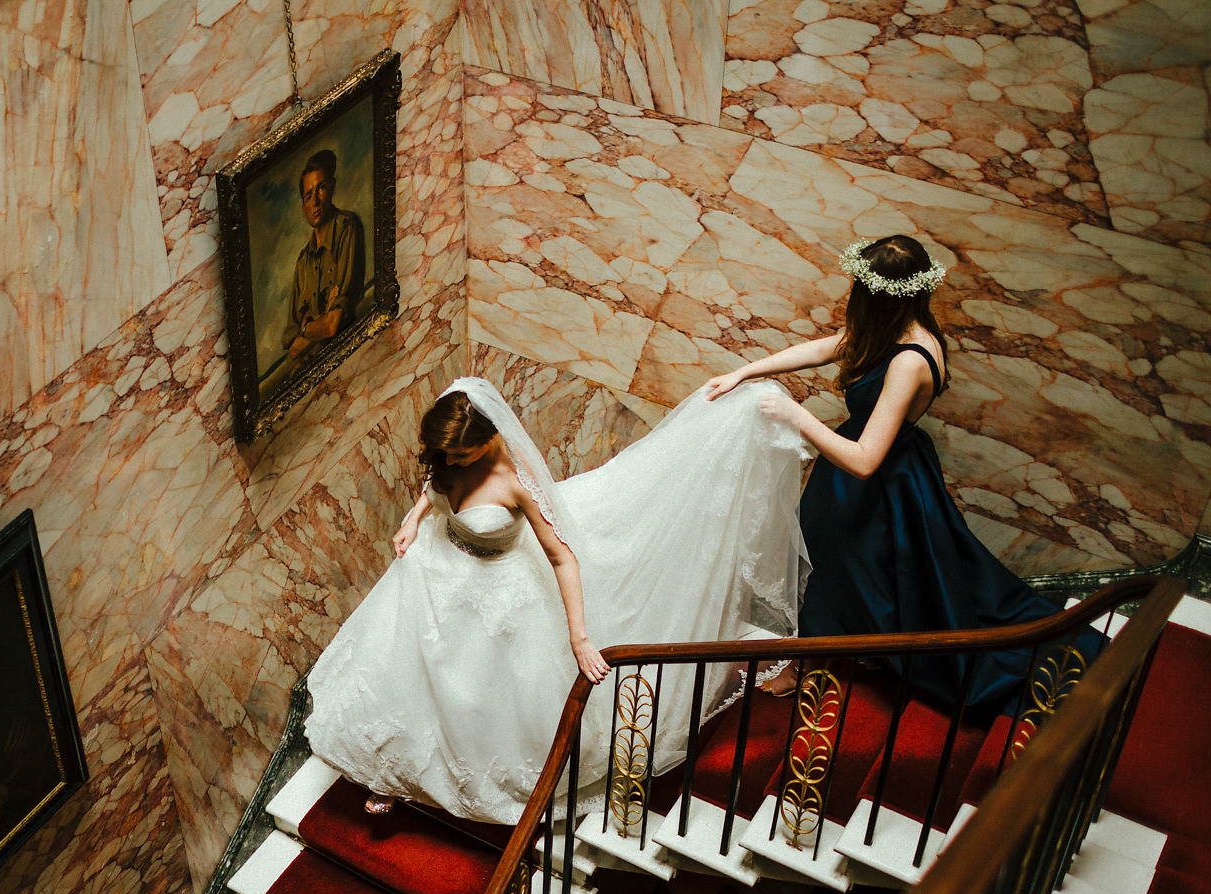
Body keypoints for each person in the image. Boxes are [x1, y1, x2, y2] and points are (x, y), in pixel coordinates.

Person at [305, 376, 809, 823]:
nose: (451, 463)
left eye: (461, 455)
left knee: (477, 693)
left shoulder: (514, 481)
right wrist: (414, 517)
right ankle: (387, 773)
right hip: (433, 572)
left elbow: (565, 559)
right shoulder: (448, 451)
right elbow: (436, 481)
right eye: (446, 456)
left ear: (488, 441)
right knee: (402, 673)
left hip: (497, 591)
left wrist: (580, 638)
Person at [705, 234, 1103, 720]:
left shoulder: (912, 358)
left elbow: (866, 458)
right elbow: (828, 347)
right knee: (835, 568)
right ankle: (825, 654)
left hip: (877, 484)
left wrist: (795, 416)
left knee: (848, 573)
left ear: (882, 297)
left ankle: (808, 663)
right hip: (857, 478)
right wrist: (744, 373)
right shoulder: (889, 330)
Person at [280, 149, 365, 368]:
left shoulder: (347, 228)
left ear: (332, 187)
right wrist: (322, 319)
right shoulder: (302, 263)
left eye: (321, 189)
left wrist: (307, 327)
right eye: (308, 196)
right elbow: (293, 348)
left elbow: (332, 325)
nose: (315, 201)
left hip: (352, 357)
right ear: (303, 207)